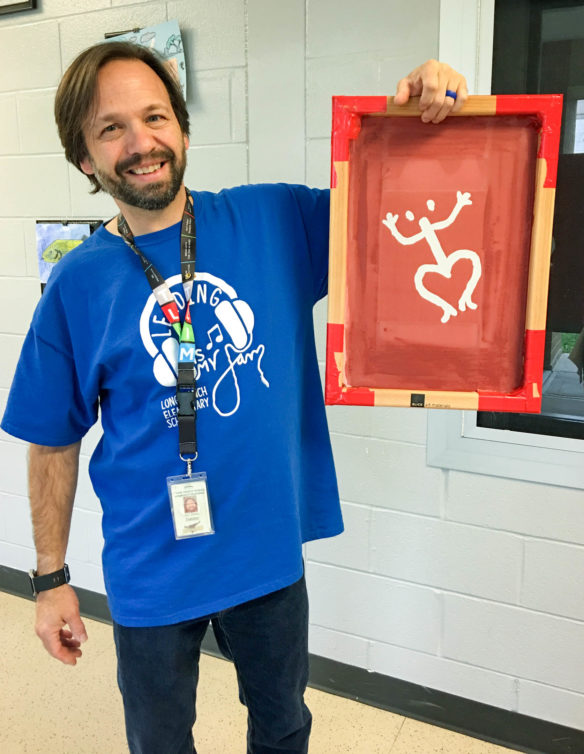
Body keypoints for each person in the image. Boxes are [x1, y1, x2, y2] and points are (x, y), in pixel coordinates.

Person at [1, 41, 467, 754]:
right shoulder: (77, 285)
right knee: (160, 743)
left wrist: (417, 119)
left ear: (182, 130)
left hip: (264, 551)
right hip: (152, 567)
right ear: (84, 160)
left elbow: (399, 212)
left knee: (282, 727)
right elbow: (52, 439)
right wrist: (51, 580)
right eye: (110, 128)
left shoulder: (275, 222)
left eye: (155, 117)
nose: (140, 142)